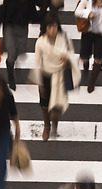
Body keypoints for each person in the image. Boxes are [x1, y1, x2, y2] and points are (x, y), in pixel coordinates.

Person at [34, 13, 81, 141]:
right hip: (45, 75)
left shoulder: (65, 38)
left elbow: (72, 54)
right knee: (44, 105)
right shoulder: (40, 42)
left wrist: (68, 58)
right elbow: (37, 63)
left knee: (56, 107)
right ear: (45, 28)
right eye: (49, 27)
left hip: (59, 76)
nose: (52, 30)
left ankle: (54, 124)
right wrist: (39, 83)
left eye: (54, 27)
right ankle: (47, 126)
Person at [0, 0, 42, 90]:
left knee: (19, 52)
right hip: (9, 28)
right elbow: (3, 11)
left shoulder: (29, 2)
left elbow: (34, 14)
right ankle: (10, 76)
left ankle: (11, 60)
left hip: (23, 29)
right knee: (12, 52)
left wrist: (43, 19)